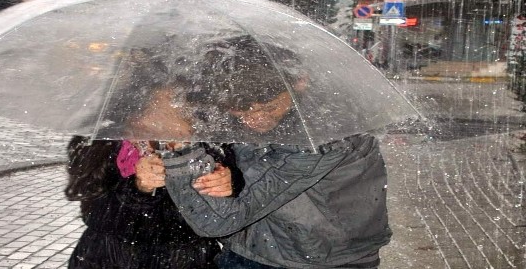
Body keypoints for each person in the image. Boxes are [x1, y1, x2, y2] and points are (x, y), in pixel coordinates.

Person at [159, 36, 391, 268]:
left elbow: (216, 221)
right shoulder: (229, 107)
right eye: (241, 111)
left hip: (319, 261)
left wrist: (180, 150)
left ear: (300, 82)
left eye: (269, 107)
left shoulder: (327, 136)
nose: (256, 119)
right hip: (252, 249)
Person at [65, 85, 244, 269]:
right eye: (155, 109)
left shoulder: (207, 145)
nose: (166, 121)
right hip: (108, 259)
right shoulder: (100, 143)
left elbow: (217, 218)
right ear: (132, 113)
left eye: (178, 110)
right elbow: (94, 212)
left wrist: (231, 183)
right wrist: (138, 189)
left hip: (187, 261)